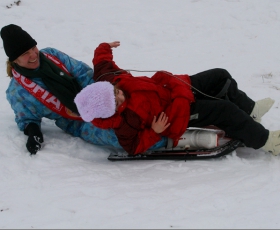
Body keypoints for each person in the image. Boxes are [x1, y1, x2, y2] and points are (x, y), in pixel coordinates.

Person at [74, 41, 280, 156]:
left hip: (175, 87)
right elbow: (133, 147)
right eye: (116, 101)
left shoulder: (109, 79)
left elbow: (101, 62)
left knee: (220, 75)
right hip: (178, 114)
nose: (120, 94)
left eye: (115, 91)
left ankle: (250, 110)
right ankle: (266, 141)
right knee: (224, 110)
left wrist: (105, 46)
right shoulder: (124, 122)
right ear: (112, 110)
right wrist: (155, 132)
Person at [1, 24, 167, 155]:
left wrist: (99, 99)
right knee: (119, 135)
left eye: (33, 48)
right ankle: (166, 137)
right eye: (25, 53)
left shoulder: (52, 55)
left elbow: (84, 73)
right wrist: (33, 131)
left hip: (98, 97)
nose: (33, 55)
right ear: (14, 60)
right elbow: (27, 118)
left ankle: (170, 115)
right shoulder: (18, 91)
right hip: (78, 122)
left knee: (137, 104)